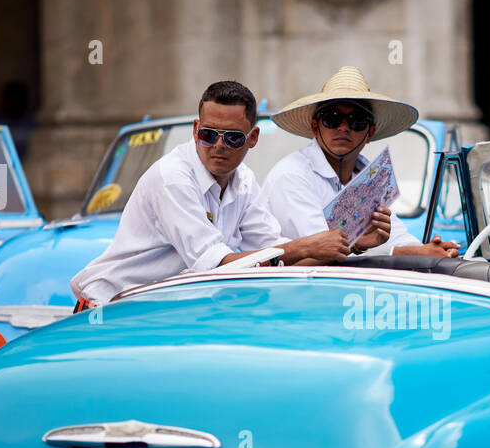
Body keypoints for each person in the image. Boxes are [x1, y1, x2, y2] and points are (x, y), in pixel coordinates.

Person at [70, 81, 350, 310]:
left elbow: (277, 259)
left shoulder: (244, 181)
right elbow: (217, 268)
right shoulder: (172, 178)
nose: (218, 146)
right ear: (195, 131)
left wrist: (352, 244)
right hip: (107, 311)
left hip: (158, 312)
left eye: (233, 138)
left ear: (252, 138)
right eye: (208, 134)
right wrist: (304, 247)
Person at [260, 66, 460, 258]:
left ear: (369, 132)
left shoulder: (369, 176)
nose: (344, 128)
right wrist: (415, 253)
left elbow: (396, 236)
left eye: (356, 121)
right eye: (332, 119)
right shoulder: (292, 175)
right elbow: (325, 250)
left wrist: (432, 251)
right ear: (315, 126)